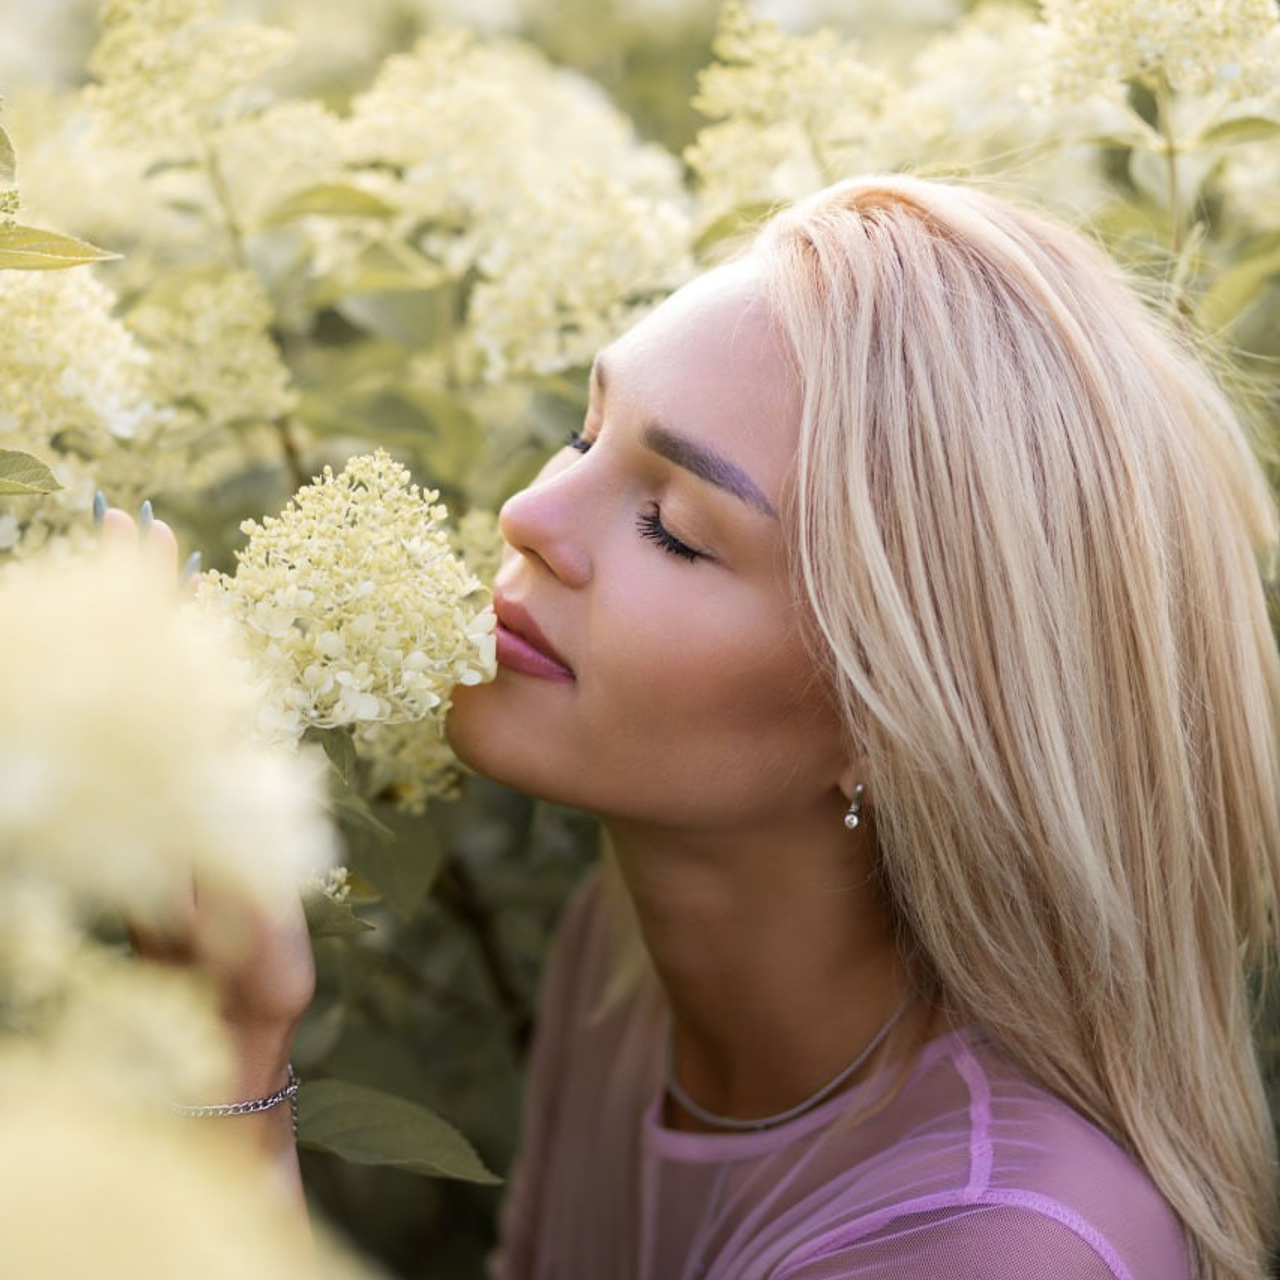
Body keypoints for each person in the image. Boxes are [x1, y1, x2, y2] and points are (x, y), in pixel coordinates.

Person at [128, 175, 1280, 1280]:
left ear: (898, 717)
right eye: (585, 435)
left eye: (673, 525)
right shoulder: (623, 948)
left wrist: (227, 1055)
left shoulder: (990, 1243)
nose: (529, 515)